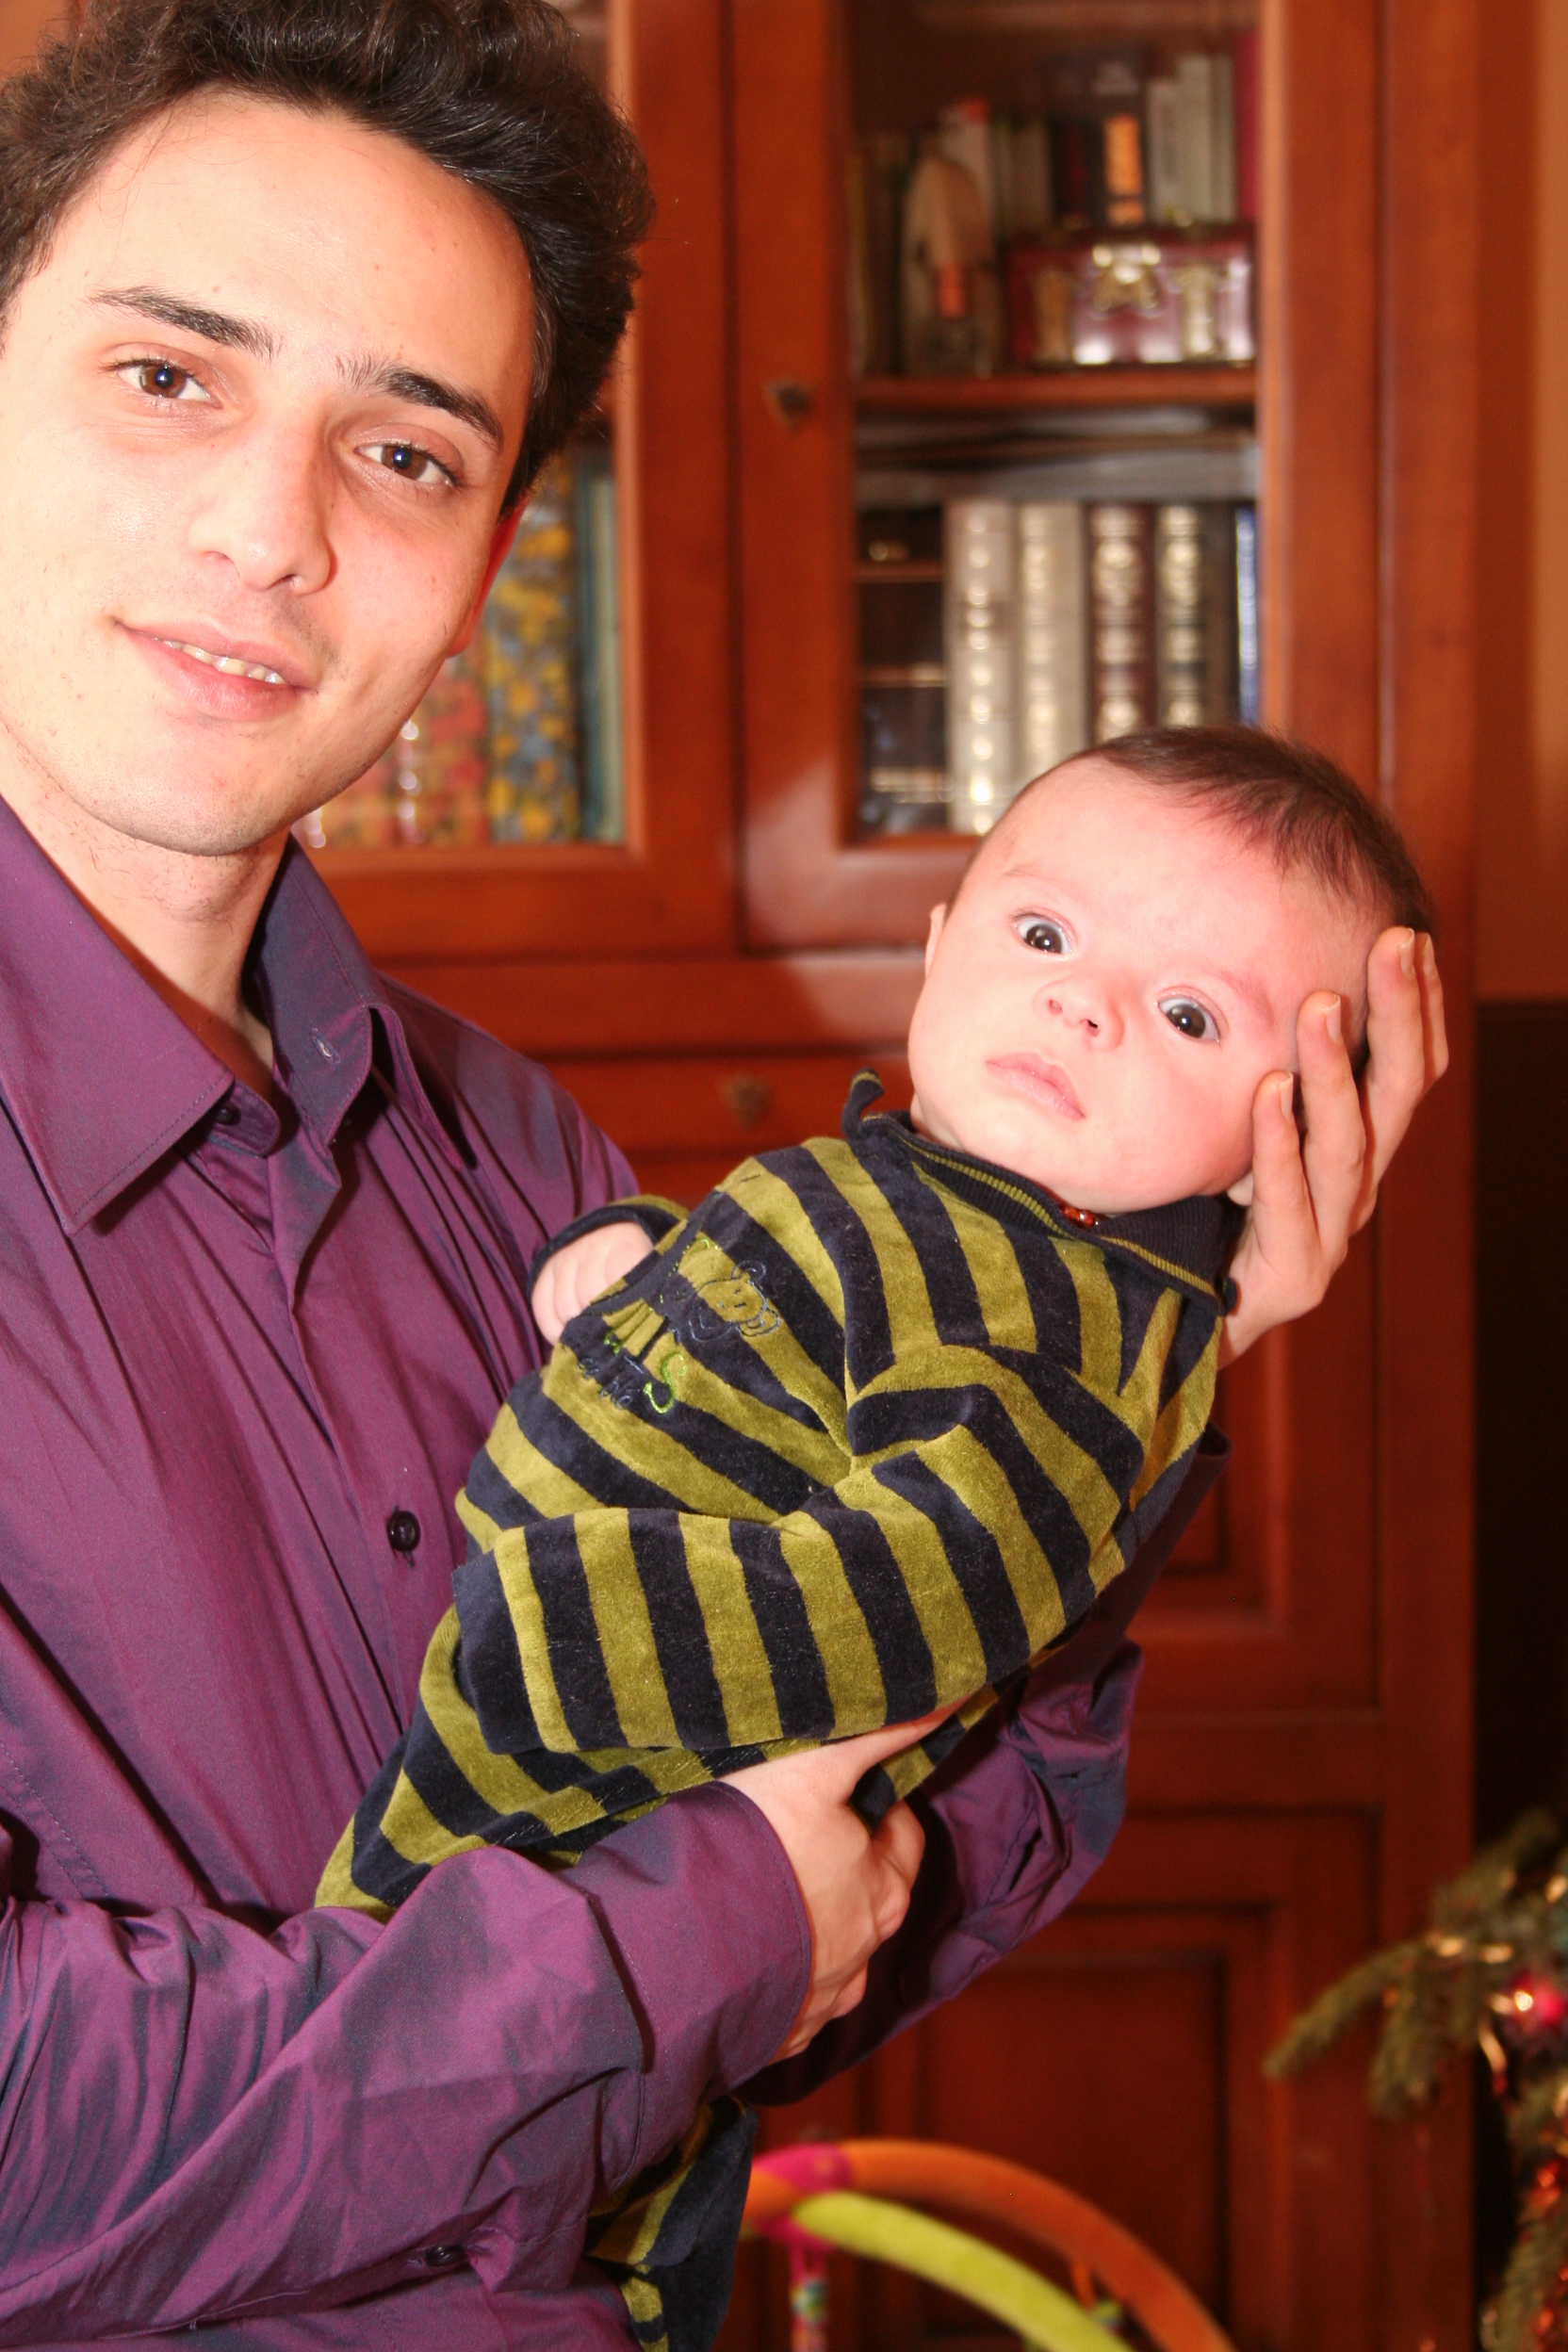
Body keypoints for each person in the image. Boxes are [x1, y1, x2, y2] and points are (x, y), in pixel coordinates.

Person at [0, 0, 1446, 2343]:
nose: (267, 530)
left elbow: (834, 1939)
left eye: (405, 449)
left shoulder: (519, 1157)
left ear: (491, 559)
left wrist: (1122, 1365)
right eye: (167, 376)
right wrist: (695, 1930)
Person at [319, 727, 1433, 2349]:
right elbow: (799, 1336)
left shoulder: (1055, 1326)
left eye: (1192, 1014)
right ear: (937, 940)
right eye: (1043, 933)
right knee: (404, 2095)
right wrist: (641, 1248)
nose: (1083, 1004)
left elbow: (929, 1597)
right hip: (573, 1773)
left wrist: (583, 1638)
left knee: (447, 2130)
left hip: (604, 1746)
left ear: (1285, 1141)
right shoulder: (930, 1197)